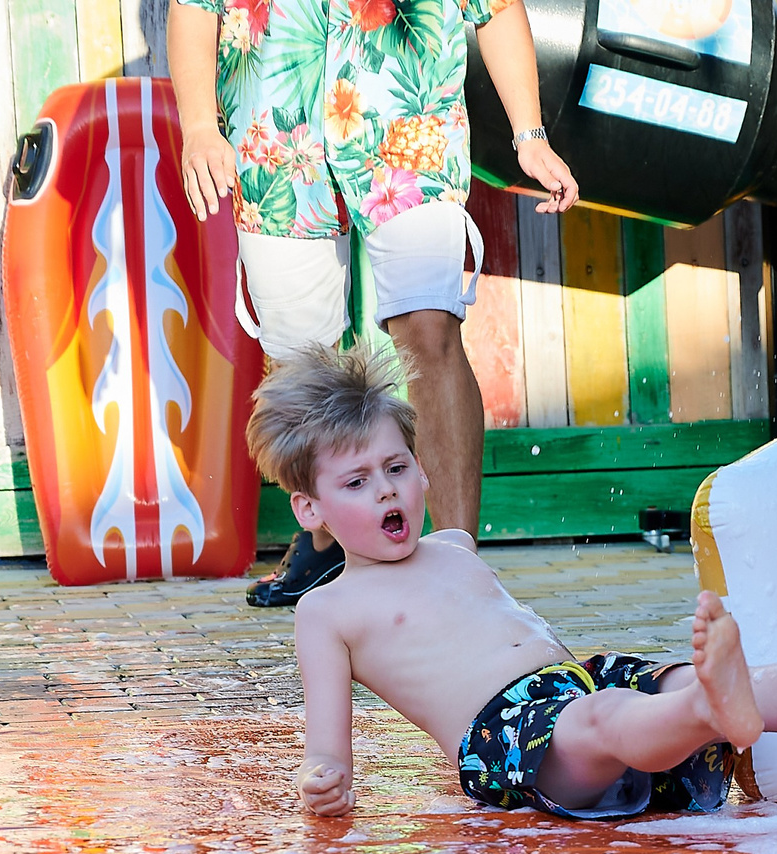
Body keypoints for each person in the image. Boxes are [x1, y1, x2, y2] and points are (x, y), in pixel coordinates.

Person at [259, 344, 777, 822]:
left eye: (397, 467)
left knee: (680, 682)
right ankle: (712, 711)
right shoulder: (328, 609)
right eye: (357, 482)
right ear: (310, 510)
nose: (387, 490)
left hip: (582, 680)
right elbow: (326, 749)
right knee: (604, 721)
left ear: (422, 468)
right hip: (511, 737)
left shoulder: (453, 545)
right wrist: (324, 779)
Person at [167, 0, 579, 608]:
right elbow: (192, 7)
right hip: (279, 137)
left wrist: (530, 133)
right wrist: (200, 125)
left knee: (429, 329)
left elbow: (496, 8)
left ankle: (458, 552)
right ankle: (325, 539)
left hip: (409, 125)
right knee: (301, 361)